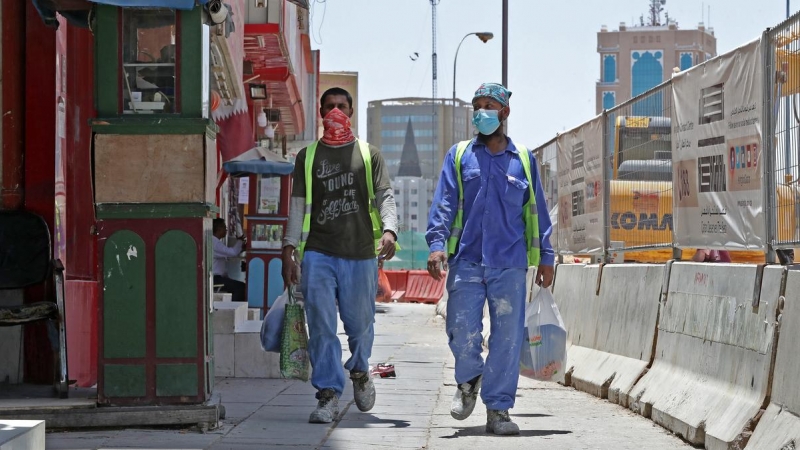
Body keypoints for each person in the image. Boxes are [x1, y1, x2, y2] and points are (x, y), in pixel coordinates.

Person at [426, 82, 555, 436]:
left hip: (510, 263)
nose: (481, 112)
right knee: (460, 329)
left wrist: (547, 256)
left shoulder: (524, 160)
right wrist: (437, 244)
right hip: (467, 259)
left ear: (504, 112)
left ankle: (498, 409)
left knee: (507, 338)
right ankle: (469, 380)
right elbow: (444, 204)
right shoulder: (459, 155)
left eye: (488, 105)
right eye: (477, 105)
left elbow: (538, 211)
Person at [281, 87, 398, 424]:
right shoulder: (308, 156)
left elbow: (385, 197)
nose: (335, 111)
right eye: (329, 106)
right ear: (321, 112)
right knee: (320, 325)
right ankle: (328, 394)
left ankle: (360, 371)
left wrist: (390, 230)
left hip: (360, 254)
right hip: (318, 253)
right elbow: (297, 205)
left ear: (350, 111)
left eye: (341, 106)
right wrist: (289, 248)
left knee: (360, 325)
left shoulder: (368, 154)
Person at [212, 218, 246, 303]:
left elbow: (228, 254)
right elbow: (232, 253)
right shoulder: (214, 243)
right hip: (215, 278)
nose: (226, 230)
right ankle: (232, 308)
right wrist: (240, 240)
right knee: (241, 287)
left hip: (218, 277)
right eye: (224, 228)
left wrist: (242, 248)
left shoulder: (215, 242)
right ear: (219, 229)